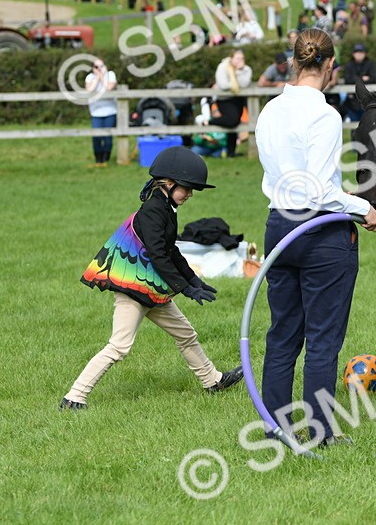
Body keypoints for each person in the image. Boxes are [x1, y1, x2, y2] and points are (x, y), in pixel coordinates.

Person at [254, 28, 376, 447]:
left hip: (279, 226)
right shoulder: (325, 116)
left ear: (294, 62)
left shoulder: (269, 110)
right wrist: (364, 209)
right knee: (323, 339)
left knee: (282, 334)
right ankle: (321, 432)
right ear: (330, 65)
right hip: (321, 233)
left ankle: (275, 427)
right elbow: (319, 191)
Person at [61, 147, 243, 410]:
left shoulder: (167, 208)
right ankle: (74, 397)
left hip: (151, 289)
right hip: (133, 290)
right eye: (187, 188)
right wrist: (184, 288)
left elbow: (171, 250)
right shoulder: (152, 211)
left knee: (186, 334)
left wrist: (194, 281)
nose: (190, 194)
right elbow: (158, 256)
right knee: (119, 346)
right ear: (168, 183)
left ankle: (213, 381)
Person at [203, 50, 253, 158]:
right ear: (231, 58)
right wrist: (235, 82)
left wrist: (239, 72)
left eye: (242, 58)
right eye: (237, 58)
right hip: (224, 99)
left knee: (236, 124)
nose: (240, 61)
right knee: (232, 121)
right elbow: (223, 85)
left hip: (239, 98)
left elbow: (244, 84)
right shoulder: (222, 67)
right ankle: (209, 122)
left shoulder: (246, 70)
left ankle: (231, 153)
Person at [85, 59, 118, 166]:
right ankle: (98, 160)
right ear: (92, 68)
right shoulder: (90, 77)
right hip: (96, 112)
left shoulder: (111, 75)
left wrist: (103, 77)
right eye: (96, 67)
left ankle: (106, 159)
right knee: (97, 137)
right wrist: (97, 78)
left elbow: (109, 88)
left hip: (110, 111)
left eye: (101, 66)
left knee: (108, 137)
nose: (99, 68)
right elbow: (89, 90)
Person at [340, 43, 376, 121]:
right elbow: (348, 80)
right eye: (357, 52)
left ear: (365, 54)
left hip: (367, 99)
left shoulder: (370, 64)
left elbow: (373, 79)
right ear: (353, 54)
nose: (359, 54)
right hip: (352, 100)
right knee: (353, 120)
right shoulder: (349, 65)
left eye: (361, 52)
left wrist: (356, 79)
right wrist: (363, 78)